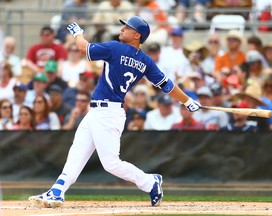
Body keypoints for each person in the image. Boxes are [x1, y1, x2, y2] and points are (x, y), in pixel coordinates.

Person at [28, 16, 201, 208]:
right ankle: (57, 191)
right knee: (77, 152)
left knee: (111, 163)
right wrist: (188, 101)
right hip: (99, 111)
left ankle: (150, 182)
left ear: (137, 35)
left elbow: (84, 49)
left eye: (127, 28)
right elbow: (167, 85)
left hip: (108, 113)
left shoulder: (116, 48)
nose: (122, 30)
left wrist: (78, 33)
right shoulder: (145, 61)